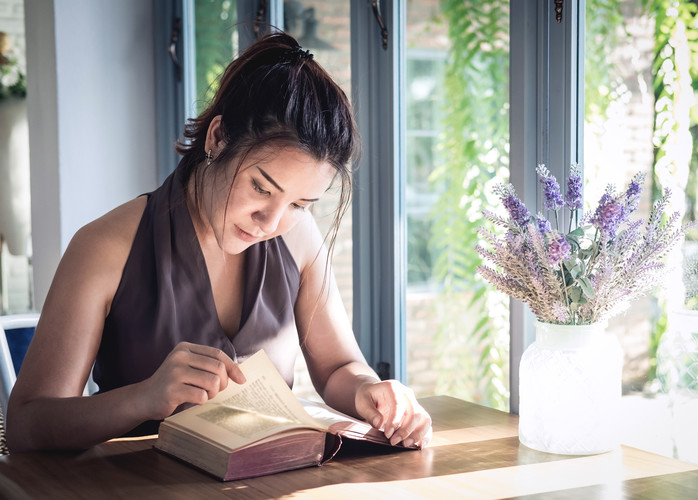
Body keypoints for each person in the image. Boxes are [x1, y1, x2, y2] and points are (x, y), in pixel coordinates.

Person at [6, 32, 432, 452]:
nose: (271, 222)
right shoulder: (105, 246)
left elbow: (338, 366)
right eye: (261, 189)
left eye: (300, 204)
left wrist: (369, 391)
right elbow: (27, 424)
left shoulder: (297, 238)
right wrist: (141, 398)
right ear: (217, 138)